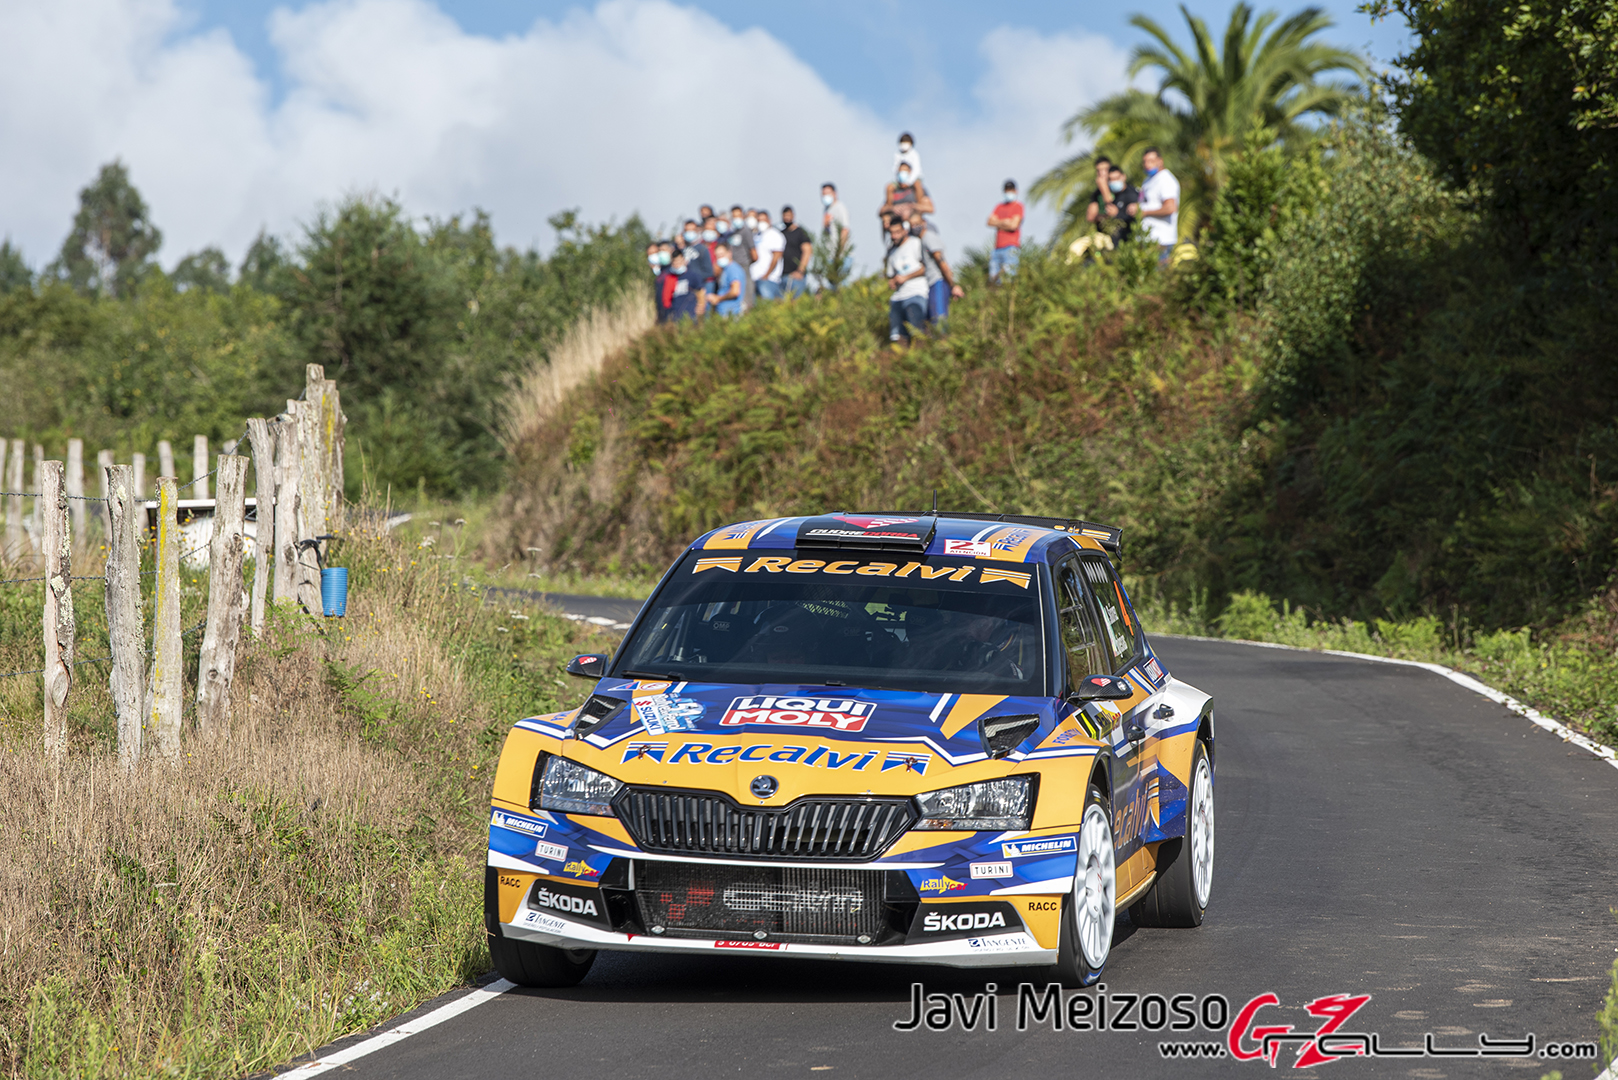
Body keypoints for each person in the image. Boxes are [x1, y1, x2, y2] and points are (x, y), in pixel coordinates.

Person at [907, 210, 963, 333]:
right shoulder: (920, 241)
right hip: (931, 284)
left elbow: (941, 262)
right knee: (930, 322)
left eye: (917, 223)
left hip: (938, 282)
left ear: (924, 223)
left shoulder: (929, 238)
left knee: (939, 321)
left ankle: (944, 348)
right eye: (911, 225)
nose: (914, 227)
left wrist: (952, 285)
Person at [884, 218, 929, 345]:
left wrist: (906, 277)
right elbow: (890, 275)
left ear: (904, 231)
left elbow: (926, 268)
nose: (894, 236)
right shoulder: (892, 252)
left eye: (897, 232)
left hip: (916, 293)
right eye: (892, 233)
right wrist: (893, 281)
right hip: (898, 298)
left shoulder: (916, 243)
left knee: (917, 332)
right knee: (897, 336)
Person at [1137, 147, 1180, 264]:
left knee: (1157, 277)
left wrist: (1145, 212)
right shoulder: (1148, 180)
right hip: (1147, 239)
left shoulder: (1166, 180)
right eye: (1145, 161)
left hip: (1161, 240)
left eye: (1151, 161)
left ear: (1160, 161)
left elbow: (1171, 207)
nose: (1147, 164)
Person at [880, 162, 934, 237]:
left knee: (915, 219)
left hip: (914, 221)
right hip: (898, 224)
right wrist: (892, 208)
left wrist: (911, 207)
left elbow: (930, 209)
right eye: (900, 172)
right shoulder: (893, 190)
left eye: (905, 172)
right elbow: (881, 211)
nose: (902, 174)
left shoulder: (916, 188)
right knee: (885, 219)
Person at [987, 179, 1023, 283]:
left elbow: (1013, 225)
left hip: (1011, 247)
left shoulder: (1018, 206)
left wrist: (998, 223)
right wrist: (1005, 222)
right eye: (1007, 190)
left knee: (1009, 279)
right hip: (997, 248)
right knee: (993, 279)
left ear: (1016, 191)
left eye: (1011, 190)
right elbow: (989, 221)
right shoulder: (999, 206)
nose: (1009, 192)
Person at [750, 208, 786, 300]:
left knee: (767, 305)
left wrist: (767, 275)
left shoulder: (775, 235)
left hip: (768, 279)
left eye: (764, 220)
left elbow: (776, 256)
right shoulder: (756, 235)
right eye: (759, 221)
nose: (761, 223)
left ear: (769, 220)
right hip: (755, 278)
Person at [779, 205, 813, 298]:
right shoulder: (781, 234)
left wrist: (800, 271)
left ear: (793, 216)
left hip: (796, 276)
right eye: (785, 216)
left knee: (797, 302)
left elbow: (808, 251)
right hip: (783, 276)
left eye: (789, 215)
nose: (787, 218)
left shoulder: (801, 232)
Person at [664, 248, 705, 322]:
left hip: (691, 315)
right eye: (675, 263)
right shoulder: (670, 278)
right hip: (676, 314)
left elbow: (701, 292)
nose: (677, 265)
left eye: (679, 262)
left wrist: (701, 307)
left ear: (684, 260)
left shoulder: (692, 275)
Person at [728, 204, 756, 308]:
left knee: (746, 291)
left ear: (743, 216)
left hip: (744, 265)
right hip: (733, 265)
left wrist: (747, 262)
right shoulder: (732, 233)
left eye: (738, 216)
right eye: (734, 216)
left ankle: (748, 307)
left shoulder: (746, 231)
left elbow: (754, 253)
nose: (736, 219)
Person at [680, 219, 715, 294]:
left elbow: (709, 271)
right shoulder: (683, 249)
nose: (689, 233)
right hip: (688, 287)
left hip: (702, 285)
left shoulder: (703, 249)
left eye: (692, 230)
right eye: (687, 230)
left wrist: (693, 277)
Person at [712, 242, 746, 318]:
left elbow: (735, 292)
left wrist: (718, 298)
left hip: (731, 314)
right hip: (723, 313)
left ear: (729, 253)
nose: (720, 258)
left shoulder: (733, 269)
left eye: (722, 255)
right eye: (718, 256)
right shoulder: (725, 269)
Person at [821, 182, 850, 249]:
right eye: (824, 194)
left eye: (828, 193)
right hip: (830, 252)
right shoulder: (826, 209)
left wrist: (839, 252)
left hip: (841, 254)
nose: (825, 196)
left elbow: (845, 230)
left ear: (835, 193)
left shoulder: (840, 208)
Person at [647, 242, 668, 322]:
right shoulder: (651, 274)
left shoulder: (668, 269)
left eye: (655, 252)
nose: (653, 256)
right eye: (650, 254)